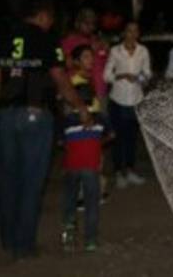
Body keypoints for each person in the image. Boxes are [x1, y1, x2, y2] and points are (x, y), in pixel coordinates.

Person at [0, 0, 91, 261]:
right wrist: (81, 107)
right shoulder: (45, 38)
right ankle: (24, 245)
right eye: (51, 18)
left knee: (9, 179)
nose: (51, 23)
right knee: (32, 181)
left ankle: (8, 239)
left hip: (7, 115)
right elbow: (60, 80)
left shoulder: (4, 36)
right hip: (36, 113)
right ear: (43, 15)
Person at [61, 45, 108, 252]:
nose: (92, 59)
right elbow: (88, 118)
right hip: (86, 149)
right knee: (91, 196)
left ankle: (69, 231)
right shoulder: (75, 84)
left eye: (92, 56)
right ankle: (89, 239)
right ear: (77, 61)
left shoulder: (79, 82)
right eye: (87, 56)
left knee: (73, 193)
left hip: (77, 149)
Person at [104, 21, 152, 188]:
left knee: (132, 139)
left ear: (138, 34)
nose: (132, 34)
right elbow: (106, 75)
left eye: (135, 31)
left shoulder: (143, 51)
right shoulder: (115, 51)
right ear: (124, 32)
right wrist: (121, 75)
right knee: (118, 138)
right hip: (118, 100)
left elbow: (147, 74)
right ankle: (118, 173)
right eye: (129, 30)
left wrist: (138, 78)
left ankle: (130, 171)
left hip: (136, 100)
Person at [61, 8, 109, 101]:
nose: (90, 27)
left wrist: (107, 50)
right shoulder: (69, 41)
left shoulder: (98, 40)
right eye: (86, 23)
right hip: (77, 93)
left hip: (100, 93)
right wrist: (91, 50)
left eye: (92, 24)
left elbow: (107, 64)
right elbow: (67, 64)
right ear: (78, 23)